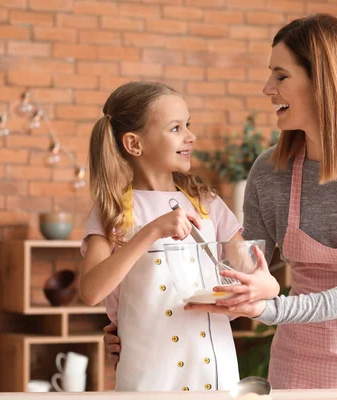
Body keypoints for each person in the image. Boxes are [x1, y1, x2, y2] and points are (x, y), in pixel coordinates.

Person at [103, 14, 337, 389]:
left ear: (325, 80)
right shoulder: (270, 171)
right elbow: (238, 272)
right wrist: (138, 325)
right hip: (299, 357)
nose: (267, 88)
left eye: (281, 76)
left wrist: (268, 309)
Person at [80, 81, 277, 392]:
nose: (190, 136)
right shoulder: (114, 210)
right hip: (150, 375)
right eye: (175, 128)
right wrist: (152, 231)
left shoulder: (207, 201)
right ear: (134, 144)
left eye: (188, 125)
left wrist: (268, 285)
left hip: (215, 370)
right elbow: (91, 291)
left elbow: (252, 271)